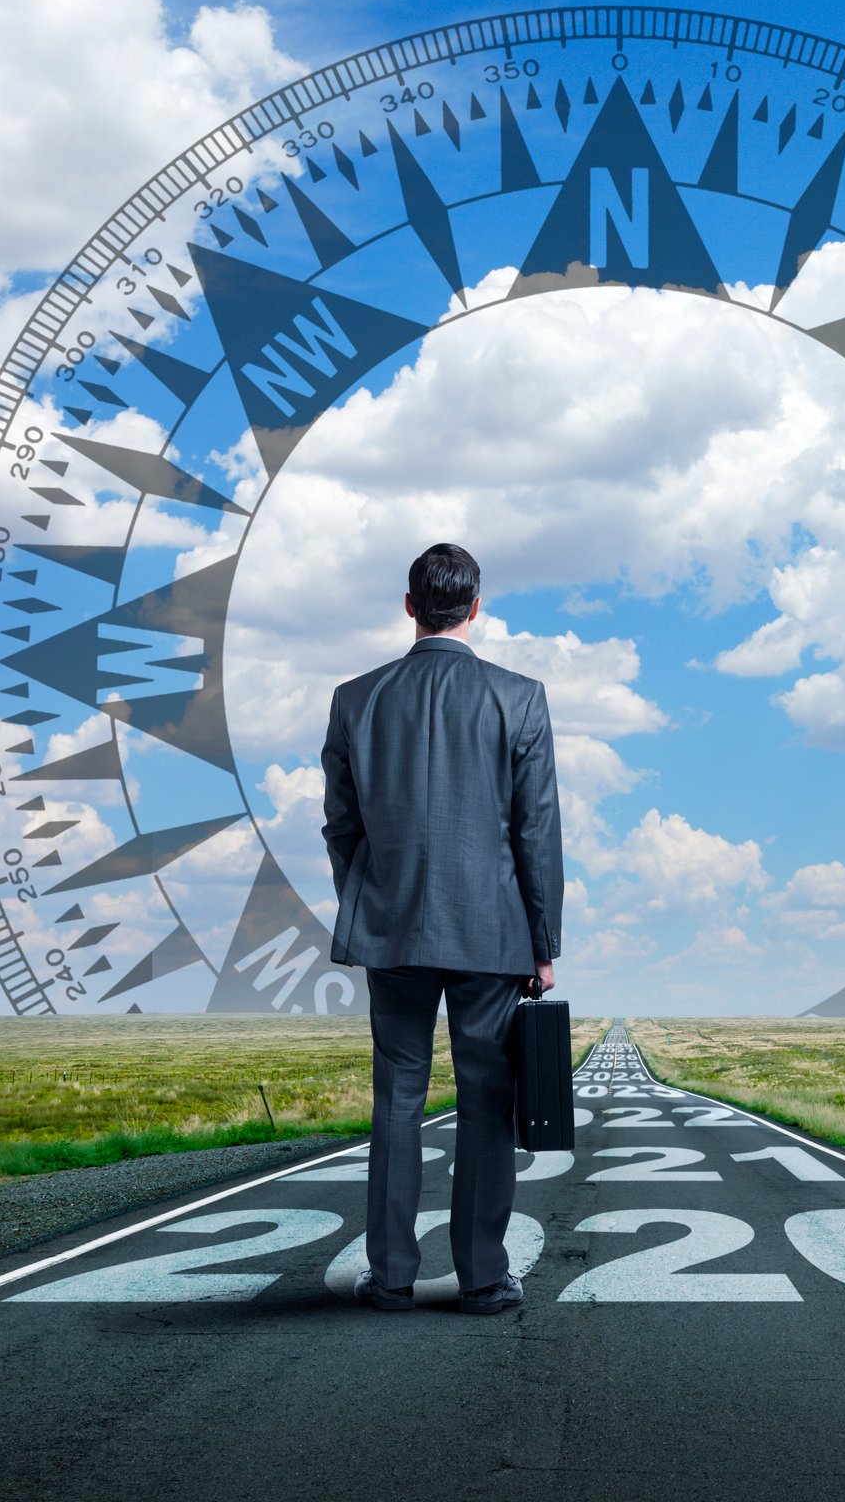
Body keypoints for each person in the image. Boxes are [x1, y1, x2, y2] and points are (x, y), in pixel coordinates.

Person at [321, 543, 563, 1315]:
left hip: (391, 928)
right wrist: (543, 941)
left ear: (409, 605)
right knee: (486, 1099)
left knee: (396, 1096)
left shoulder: (355, 699)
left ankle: (390, 1277)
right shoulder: (519, 697)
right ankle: (482, 1280)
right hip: (490, 932)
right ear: (475, 607)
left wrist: (372, 902)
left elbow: (341, 825)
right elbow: (536, 831)